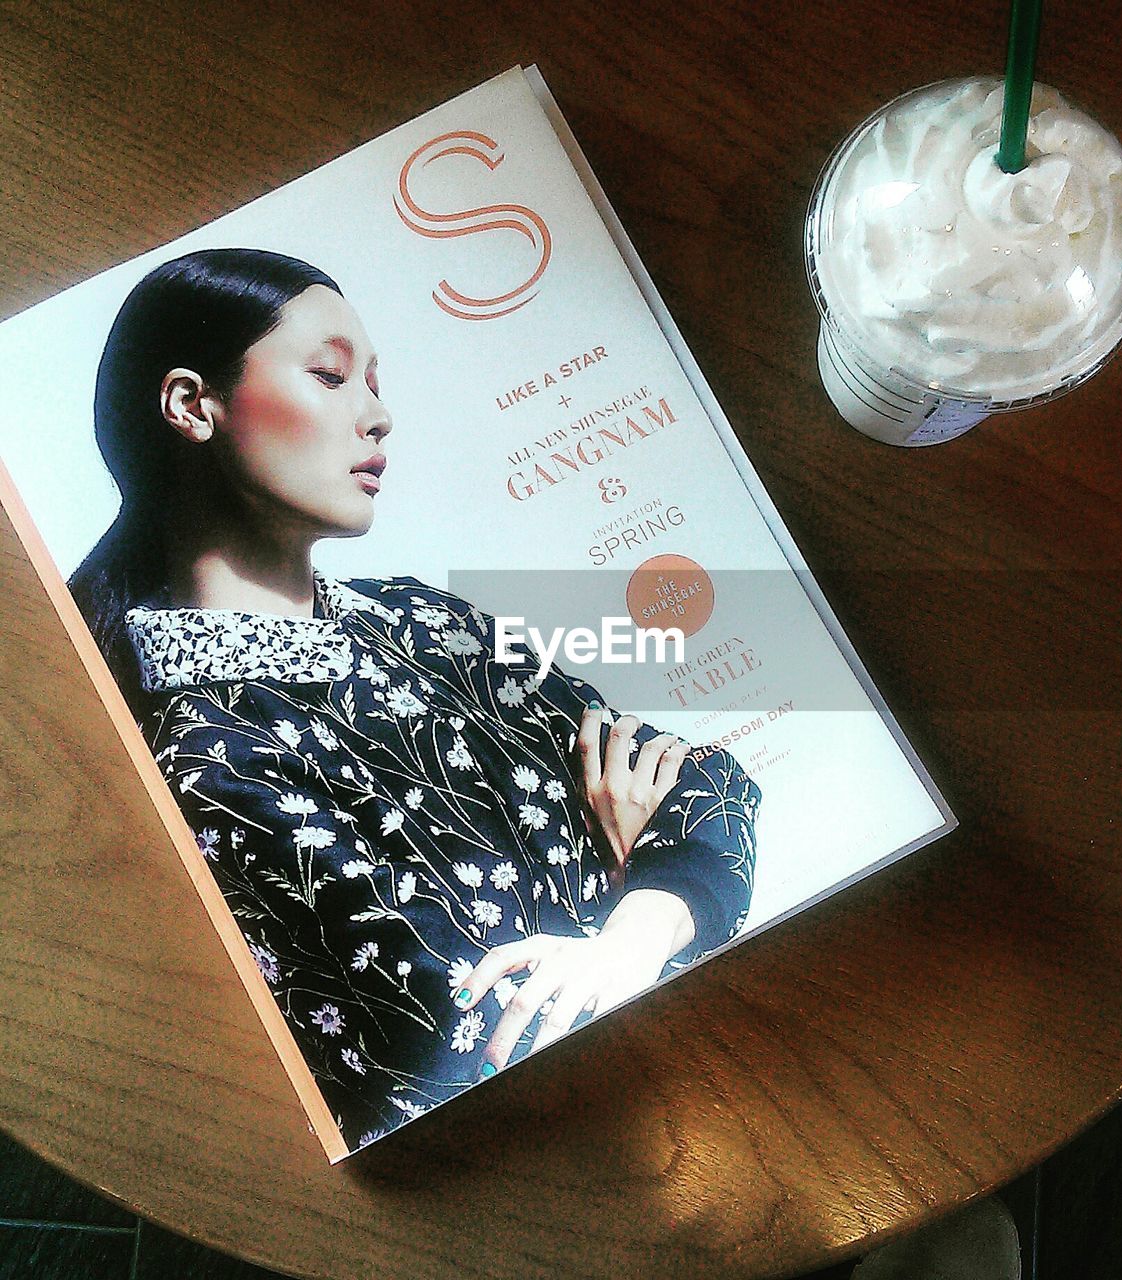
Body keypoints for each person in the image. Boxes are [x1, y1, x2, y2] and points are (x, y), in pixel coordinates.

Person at [66, 248, 762, 1151]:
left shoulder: (420, 616)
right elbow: (464, 1043)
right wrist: (642, 886)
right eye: (329, 375)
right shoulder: (207, 762)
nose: (379, 415)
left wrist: (626, 941)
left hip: (713, 1088)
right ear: (193, 406)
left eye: (375, 381)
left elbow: (707, 782)